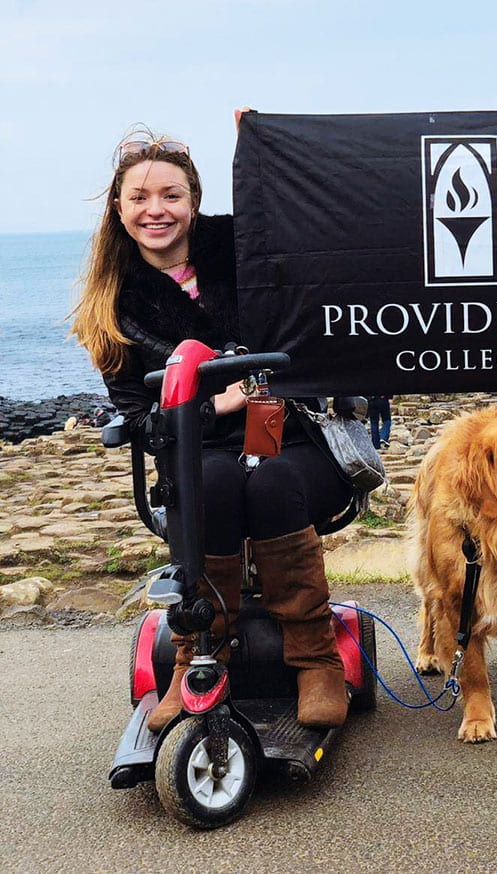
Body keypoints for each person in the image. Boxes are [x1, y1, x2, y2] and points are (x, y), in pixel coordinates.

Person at [71, 126, 354, 732]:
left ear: (193, 202)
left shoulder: (246, 251)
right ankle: (199, 660)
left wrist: (265, 144)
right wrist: (213, 407)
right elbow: (140, 418)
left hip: (294, 438)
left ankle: (315, 657)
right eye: (140, 198)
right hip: (199, 450)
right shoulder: (114, 307)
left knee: (271, 480)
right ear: (118, 209)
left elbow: (318, 218)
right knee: (215, 485)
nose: (156, 210)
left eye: (171, 195)